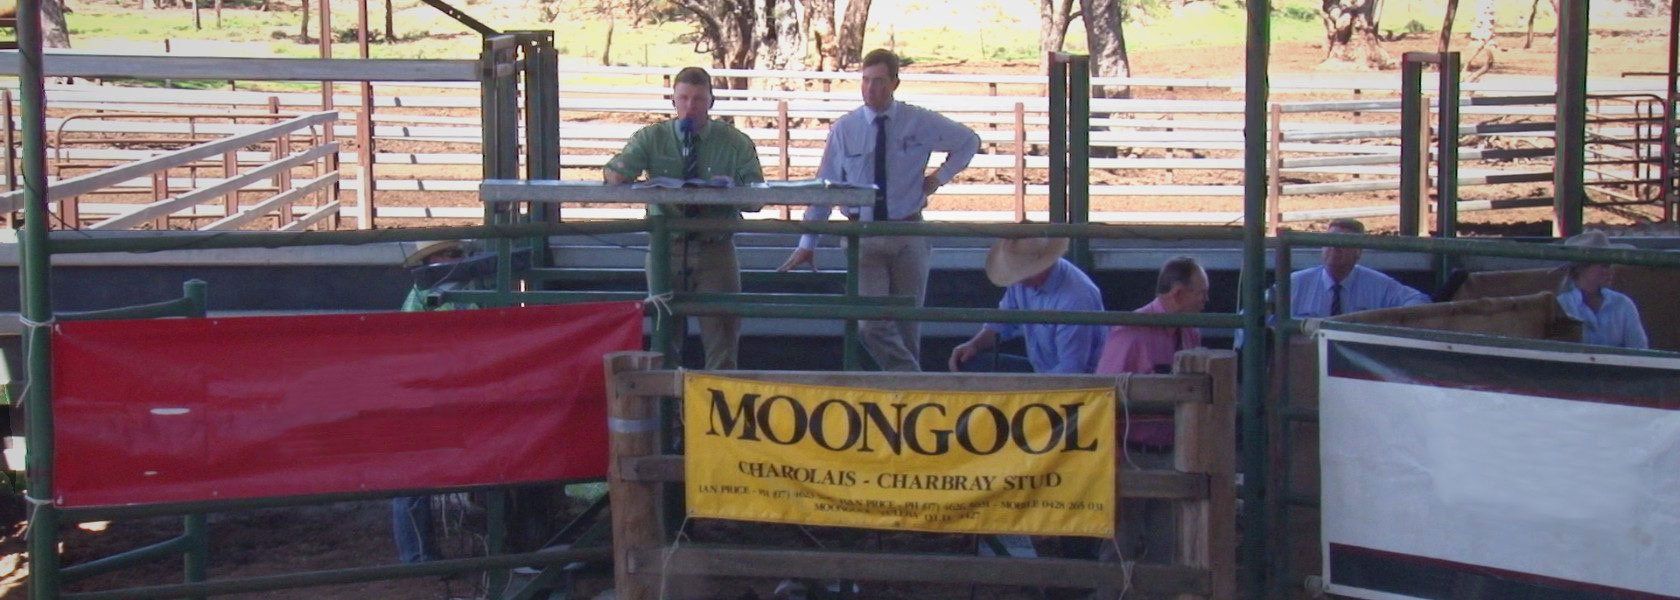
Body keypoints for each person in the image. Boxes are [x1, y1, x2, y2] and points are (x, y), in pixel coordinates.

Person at [777, 48, 981, 372]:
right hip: (864, 234)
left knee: (907, 326)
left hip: (907, 230)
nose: (872, 89)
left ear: (895, 83)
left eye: (880, 82)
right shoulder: (845, 129)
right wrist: (808, 242)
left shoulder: (918, 120)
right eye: (866, 81)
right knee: (870, 323)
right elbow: (826, 186)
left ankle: (904, 405)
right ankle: (914, 382)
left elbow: (969, 141)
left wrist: (937, 179)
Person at [605, 66, 764, 369]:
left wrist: (728, 190)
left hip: (715, 248)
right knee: (664, 338)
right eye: (684, 98)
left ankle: (715, 411)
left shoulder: (734, 142)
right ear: (673, 100)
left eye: (699, 99)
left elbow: (756, 195)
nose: (691, 106)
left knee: (722, 341)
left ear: (711, 102)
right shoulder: (651, 138)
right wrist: (619, 173)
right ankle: (669, 413)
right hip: (667, 248)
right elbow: (617, 171)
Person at [391, 239, 475, 564]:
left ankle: (421, 554)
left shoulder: (458, 295)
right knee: (413, 478)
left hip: (451, 392)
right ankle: (417, 556)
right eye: (449, 254)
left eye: (457, 254)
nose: (456, 259)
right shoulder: (423, 297)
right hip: (426, 396)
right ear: (431, 261)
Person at [947, 236, 1105, 374]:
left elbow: (1072, 370)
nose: (1019, 280)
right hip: (1045, 372)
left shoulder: (1076, 299)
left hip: (1077, 386)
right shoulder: (1024, 282)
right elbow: (1003, 321)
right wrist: (974, 345)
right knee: (968, 362)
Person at [1289, 218, 1429, 318]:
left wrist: (1389, 321)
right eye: (1328, 241)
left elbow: (1419, 301)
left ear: (1358, 251)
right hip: (1308, 356)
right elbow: (1269, 312)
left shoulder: (1378, 285)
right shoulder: (1295, 283)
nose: (1334, 247)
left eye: (1343, 242)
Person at [1095, 256, 1210, 377]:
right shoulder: (1128, 333)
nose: (1206, 299)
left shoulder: (1191, 332)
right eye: (1202, 293)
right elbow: (1105, 389)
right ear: (1178, 294)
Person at [1556, 230, 1649, 349]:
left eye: (1610, 265)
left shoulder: (1623, 304)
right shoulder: (1562, 305)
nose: (1610, 271)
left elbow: (1639, 350)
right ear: (1581, 268)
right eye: (1604, 265)